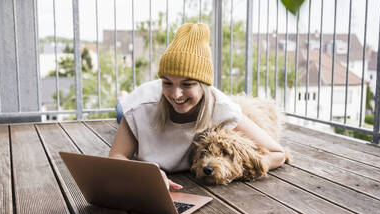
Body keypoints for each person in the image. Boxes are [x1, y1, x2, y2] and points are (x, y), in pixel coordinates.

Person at [109, 23, 285, 190]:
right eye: (167, 83)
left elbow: (278, 153)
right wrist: (146, 174)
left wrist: (238, 170)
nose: (176, 94)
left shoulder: (222, 109)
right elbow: (116, 157)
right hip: (135, 102)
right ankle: (122, 98)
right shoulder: (140, 107)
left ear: (204, 86)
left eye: (187, 84)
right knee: (120, 112)